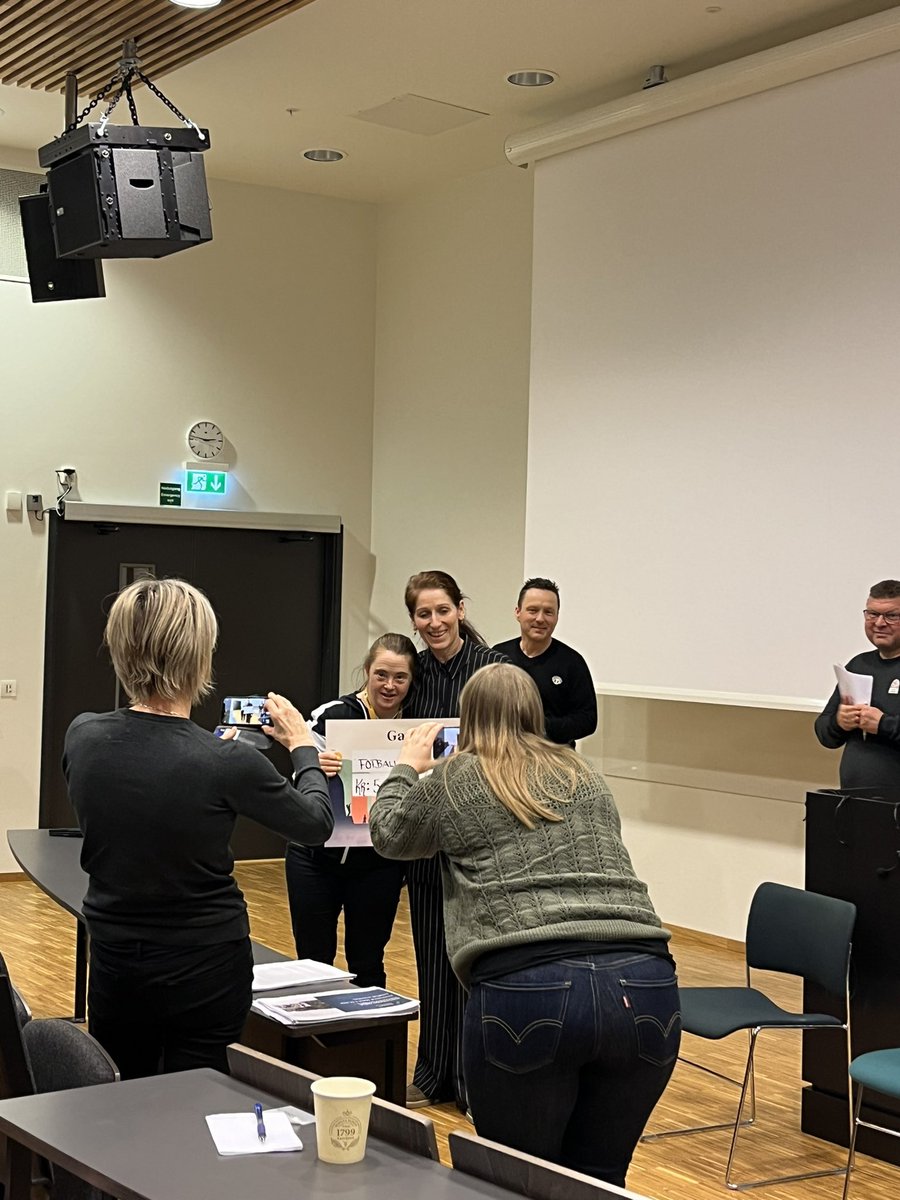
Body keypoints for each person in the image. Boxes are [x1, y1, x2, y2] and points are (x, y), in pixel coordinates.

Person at [370, 663, 679, 1188]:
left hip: (528, 984)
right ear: (535, 712)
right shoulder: (583, 775)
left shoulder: (452, 778)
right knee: (601, 1178)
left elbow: (390, 834)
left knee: (514, 1181)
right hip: (646, 981)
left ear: (466, 717)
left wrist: (405, 767)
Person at [63, 577, 334, 1080]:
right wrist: (303, 747)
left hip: (116, 960)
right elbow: (315, 823)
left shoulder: (82, 736)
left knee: (120, 1095)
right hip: (205, 966)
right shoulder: (226, 761)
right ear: (199, 658)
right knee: (200, 1100)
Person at [401, 570, 508, 1110]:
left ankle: (473, 1081)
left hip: (477, 841)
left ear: (460, 609)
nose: (434, 622)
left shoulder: (492, 671)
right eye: (423, 614)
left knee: (470, 963)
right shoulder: (412, 673)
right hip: (425, 838)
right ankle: (432, 1072)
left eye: (443, 610)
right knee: (429, 963)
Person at [284, 633, 417, 987]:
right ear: (367, 672)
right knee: (313, 964)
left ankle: (368, 1042)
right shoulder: (333, 716)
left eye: (400, 677)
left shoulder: (417, 726)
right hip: (315, 861)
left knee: (368, 964)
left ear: (411, 681)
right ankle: (311, 1040)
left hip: (378, 865)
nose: (390, 686)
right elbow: (300, 774)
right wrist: (314, 765)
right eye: (381, 675)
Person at [815, 579, 900, 788]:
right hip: (855, 804)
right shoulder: (859, 664)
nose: (879, 623)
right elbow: (825, 732)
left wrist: (883, 724)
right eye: (872, 614)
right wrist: (839, 722)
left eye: (891, 616)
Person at [493, 577, 597, 746]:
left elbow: (587, 720)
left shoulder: (572, 662)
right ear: (518, 612)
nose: (540, 619)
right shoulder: (498, 655)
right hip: (504, 756)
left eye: (548, 612)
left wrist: (539, 727)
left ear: (557, 616)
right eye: (533, 610)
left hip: (556, 758)